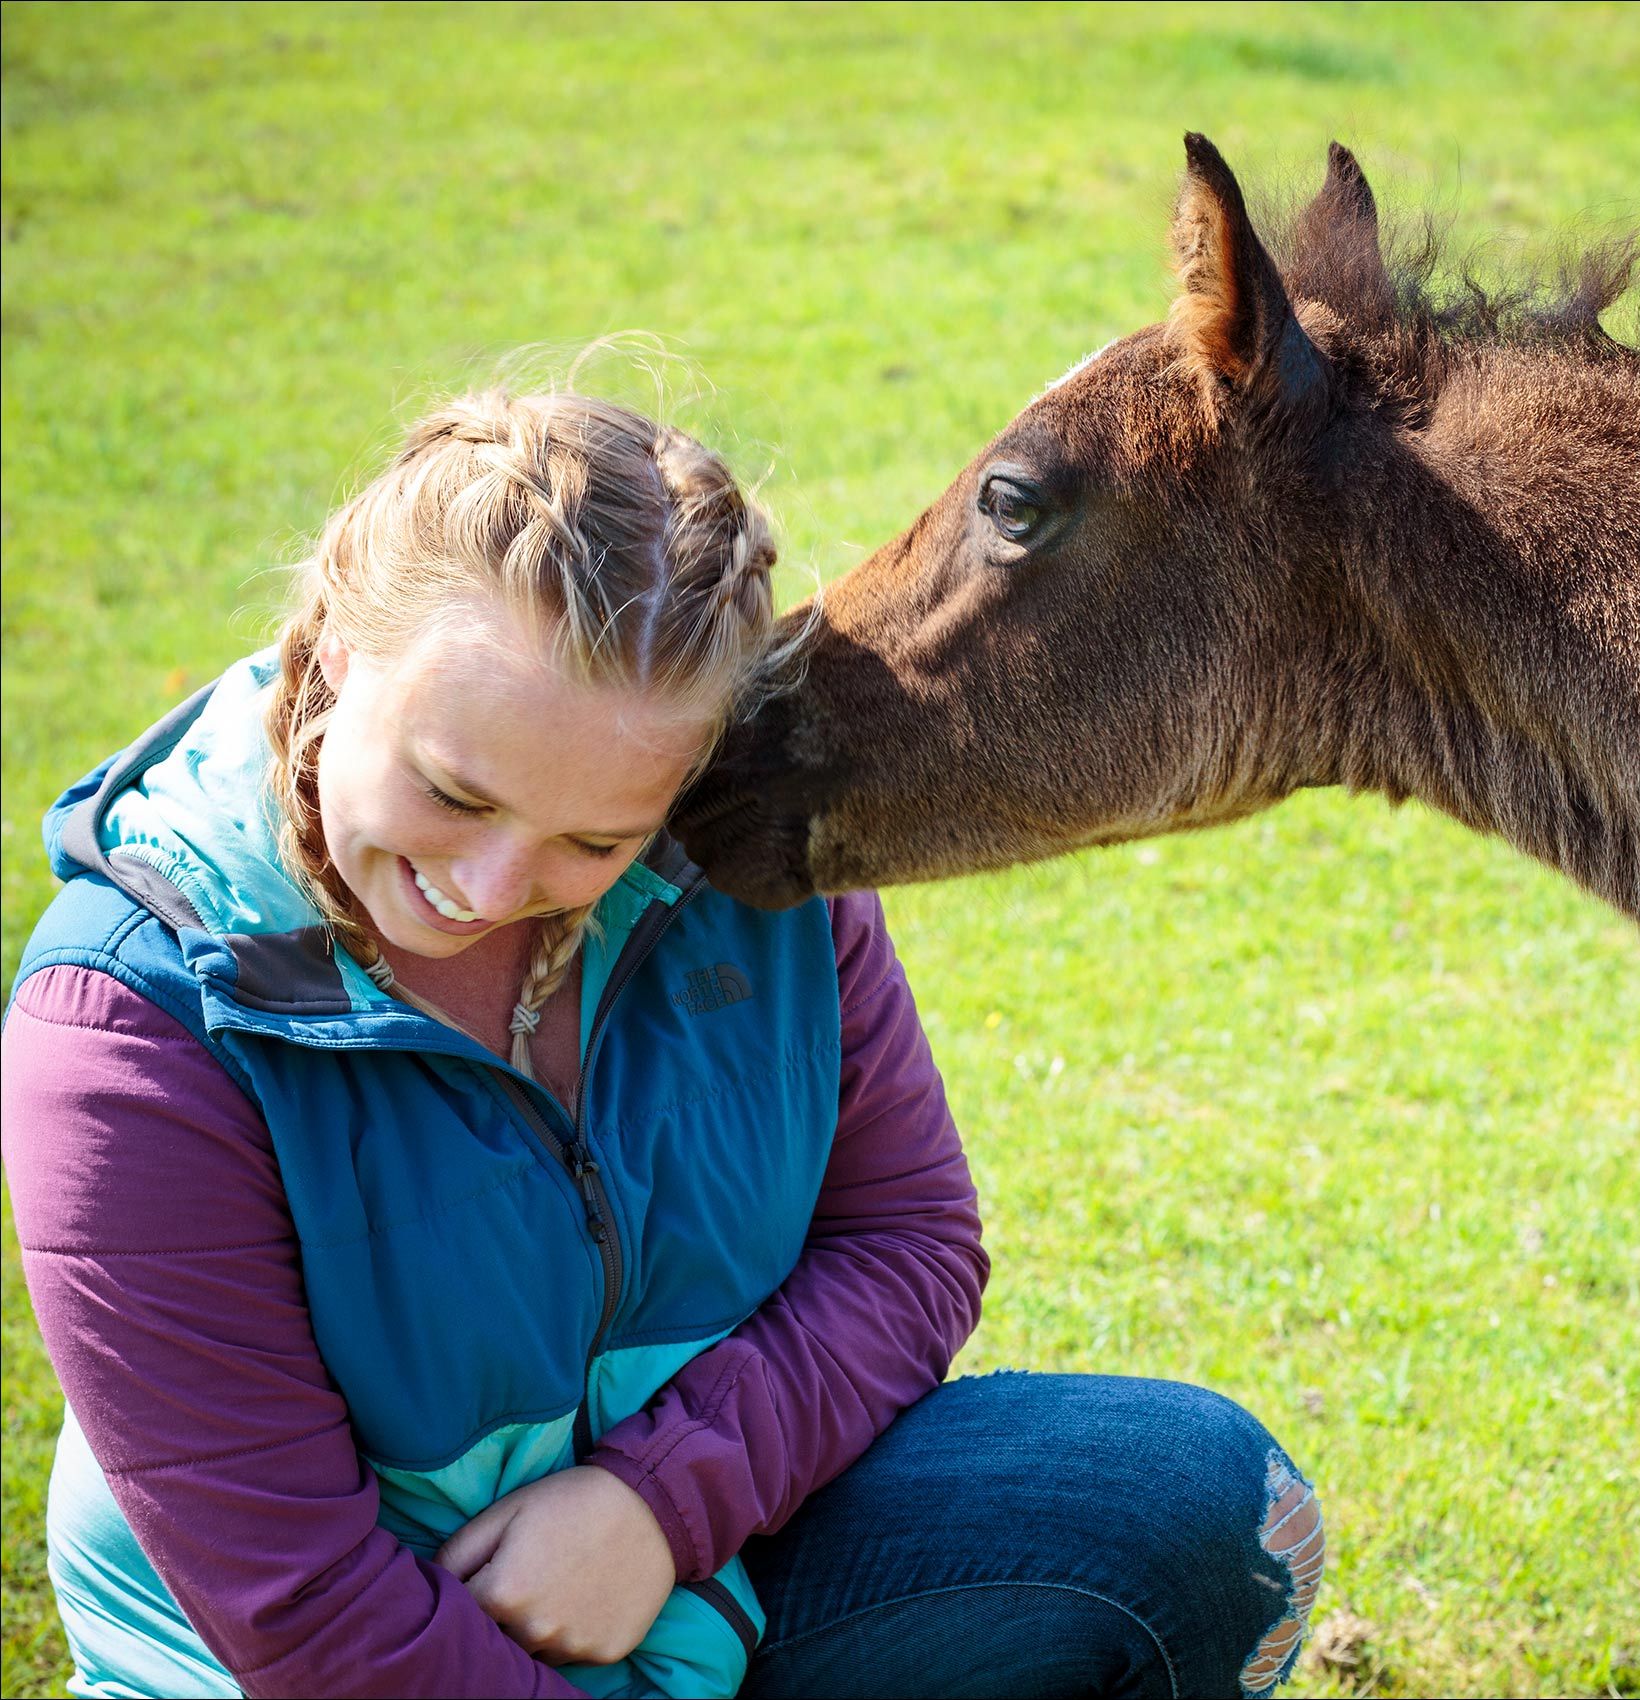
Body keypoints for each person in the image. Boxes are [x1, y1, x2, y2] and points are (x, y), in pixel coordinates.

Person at [1, 390, 1324, 1699]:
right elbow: (303, 1610)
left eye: (595, 841)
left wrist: (657, 1505)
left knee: (1201, 1506)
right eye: (453, 791)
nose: (491, 883)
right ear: (343, 642)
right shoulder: (128, 1031)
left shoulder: (736, 865)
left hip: (700, 1594)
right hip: (347, 1669)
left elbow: (910, 1244)